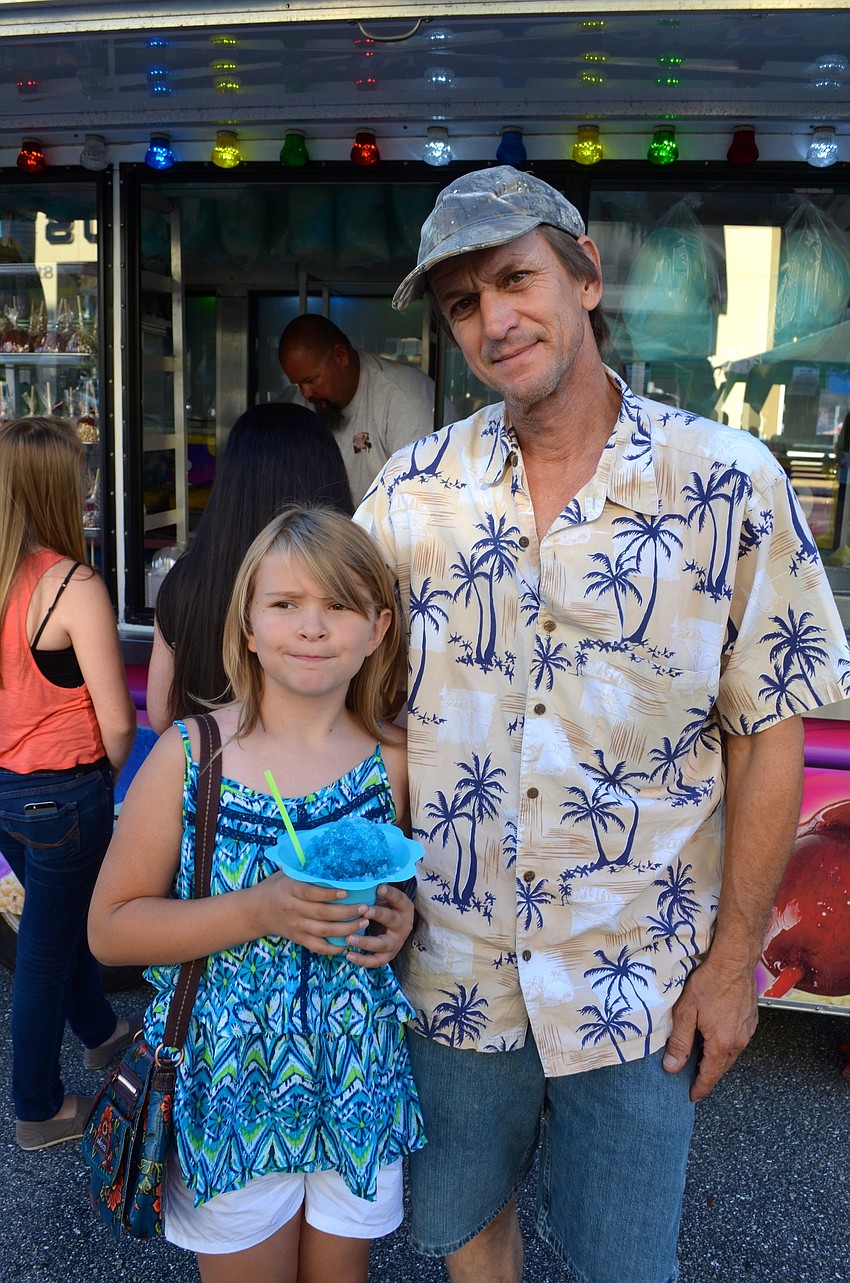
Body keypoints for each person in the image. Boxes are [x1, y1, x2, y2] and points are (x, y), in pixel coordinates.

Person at [355, 166, 850, 1283]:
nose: (494, 320)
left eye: (515, 280)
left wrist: (734, 966)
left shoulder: (726, 485)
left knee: (626, 1263)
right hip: (453, 967)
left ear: (584, 277)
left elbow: (767, 731)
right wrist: (363, 876)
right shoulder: (410, 494)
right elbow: (366, 710)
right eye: (464, 303)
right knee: (466, 1228)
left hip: (637, 981)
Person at [89, 506, 426, 1283]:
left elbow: (403, 891)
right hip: (232, 1083)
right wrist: (258, 909)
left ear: (377, 629)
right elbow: (110, 928)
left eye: (339, 604)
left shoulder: (398, 763)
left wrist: (399, 920)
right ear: (246, 624)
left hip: (355, 1079)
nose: (312, 625)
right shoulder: (191, 755)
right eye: (285, 603)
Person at [0, 416, 138, 1152]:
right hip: (65, 792)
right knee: (46, 950)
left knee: (59, 922)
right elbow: (118, 722)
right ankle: (38, 1108)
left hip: (5, 791)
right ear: (55, 486)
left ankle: (100, 1031)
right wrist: (107, 779)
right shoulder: (71, 584)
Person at [147, 401, 354, 734]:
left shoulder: (185, 581)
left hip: (210, 763)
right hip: (333, 762)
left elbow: (162, 715)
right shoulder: (352, 584)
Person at [278, 313, 451, 504]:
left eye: (311, 381)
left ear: (340, 356)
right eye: (298, 384)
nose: (305, 393)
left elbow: (421, 496)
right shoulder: (304, 403)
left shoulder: (403, 397)